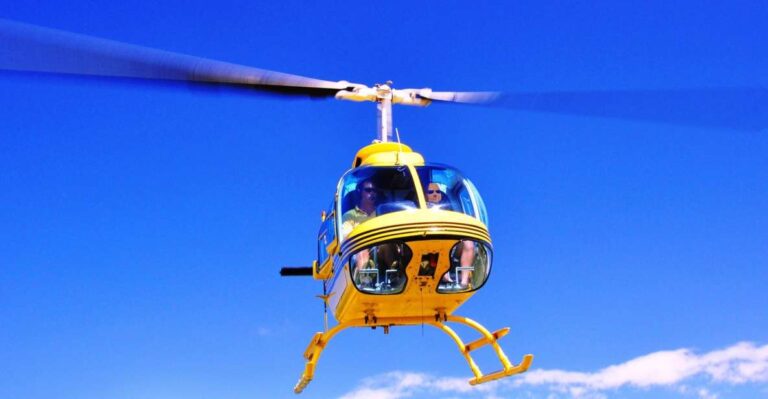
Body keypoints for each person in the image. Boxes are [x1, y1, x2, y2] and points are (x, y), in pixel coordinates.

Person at [425, 181, 473, 288]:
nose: (435, 194)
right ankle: (443, 273)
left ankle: (464, 282)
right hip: (428, 245)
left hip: (450, 244)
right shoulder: (419, 211)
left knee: (468, 244)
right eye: (431, 192)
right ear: (425, 195)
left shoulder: (449, 211)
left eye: (438, 191)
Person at [342, 179, 379, 285]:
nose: (372, 193)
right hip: (362, 248)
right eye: (368, 190)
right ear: (360, 192)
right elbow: (347, 238)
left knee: (389, 246)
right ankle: (365, 281)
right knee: (361, 250)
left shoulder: (381, 212)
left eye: (374, 191)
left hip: (380, 247)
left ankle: (395, 276)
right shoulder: (350, 216)